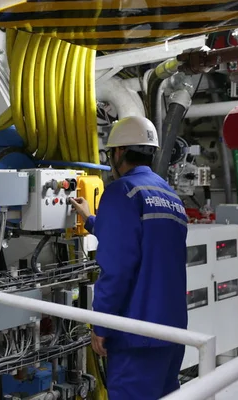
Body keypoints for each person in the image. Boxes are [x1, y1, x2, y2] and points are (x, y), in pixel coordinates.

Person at [70, 116, 188, 400]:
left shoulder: (122, 191)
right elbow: (144, 242)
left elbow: (118, 267)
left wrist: (101, 324)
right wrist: (91, 219)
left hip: (136, 332)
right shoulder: (170, 196)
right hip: (172, 329)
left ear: (119, 152)